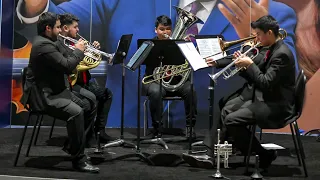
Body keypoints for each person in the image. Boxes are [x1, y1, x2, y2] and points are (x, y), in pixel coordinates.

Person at [15, 0, 298, 128]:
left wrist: (259, 35)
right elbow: (52, 20)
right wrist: (35, 7)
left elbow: (284, 73)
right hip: (125, 129)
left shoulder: (276, 13)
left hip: (213, 132)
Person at [183, 15, 296, 170]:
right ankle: (211, 153)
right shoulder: (272, 47)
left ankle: (262, 155)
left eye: (258, 34)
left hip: (276, 104)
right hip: (264, 96)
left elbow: (265, 83)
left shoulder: (281, 54)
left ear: (269, 33)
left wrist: (249, 65)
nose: (256, 38)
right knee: (227, 108)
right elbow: (260, 75)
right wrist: (244, 65)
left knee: (230, 117)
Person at [27, 12, 99, 173]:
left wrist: (86, 49)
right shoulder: (43, 46)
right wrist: (79, 51)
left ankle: (73, 146)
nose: (60, 31)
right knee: (76, 112)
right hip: (44, 96)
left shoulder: (53, 41)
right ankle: (78, 160)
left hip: (58, 91)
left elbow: (68, 56)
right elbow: (67, 65)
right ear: (48, 28)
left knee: (89, 105)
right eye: (58, 27)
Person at [56, 13, 116, 143]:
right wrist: (81, 52)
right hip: (72, 83)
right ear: (65, 28)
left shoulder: (75, 42)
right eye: (75, 27)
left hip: (84, 81)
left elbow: (85, 62)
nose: (78, 30)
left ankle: (100, 131)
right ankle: (87, 137)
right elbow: (70, 63)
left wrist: (92, 50)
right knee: (91, 99)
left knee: (107, 94)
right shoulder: (59, 44)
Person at [142, 15, 198, 138]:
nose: (165, 32)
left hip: (177, 82)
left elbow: (189, 64)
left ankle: (190, 127)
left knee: (190, 90)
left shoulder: (179, 44)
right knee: (156, 92)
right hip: (154, 80)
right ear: (155, 30)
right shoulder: (149, 45)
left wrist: (187, 49)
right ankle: (157, 128)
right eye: (162, 29)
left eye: (168, 29)